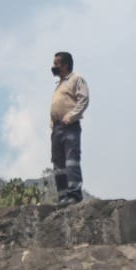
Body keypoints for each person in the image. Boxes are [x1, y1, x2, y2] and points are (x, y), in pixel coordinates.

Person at [49, 51, 88, 204]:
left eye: (56, 64)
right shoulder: (59, 85)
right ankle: (63, 196)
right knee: (58, 164)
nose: (53, 67)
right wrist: (52, 122)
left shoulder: (76, 79)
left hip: (70, 126)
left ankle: (74, 194)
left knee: (71, 160)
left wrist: (70, 117)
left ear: (65, 65)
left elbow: (84, 99)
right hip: (57, 128)